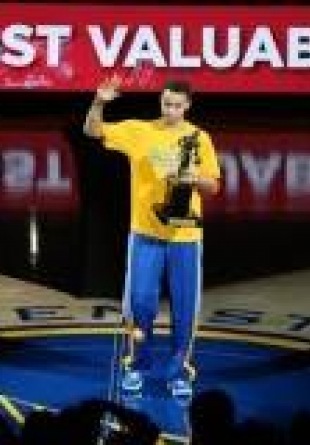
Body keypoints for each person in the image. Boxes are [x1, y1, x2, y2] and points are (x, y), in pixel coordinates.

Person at [83, 76, 221, 398]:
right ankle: (137, 365)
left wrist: (192, 177)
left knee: (184, 308)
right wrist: (99, 102)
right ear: (160, 101)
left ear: (187, 106)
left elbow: (214, 185)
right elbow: (92, 130)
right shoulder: (139, 131)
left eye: (177, 105)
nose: (170, 110)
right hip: (145, 234)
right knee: (141, 303)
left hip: (185, 237)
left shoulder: (200, 138)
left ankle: (179, 372)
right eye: (166, 103)